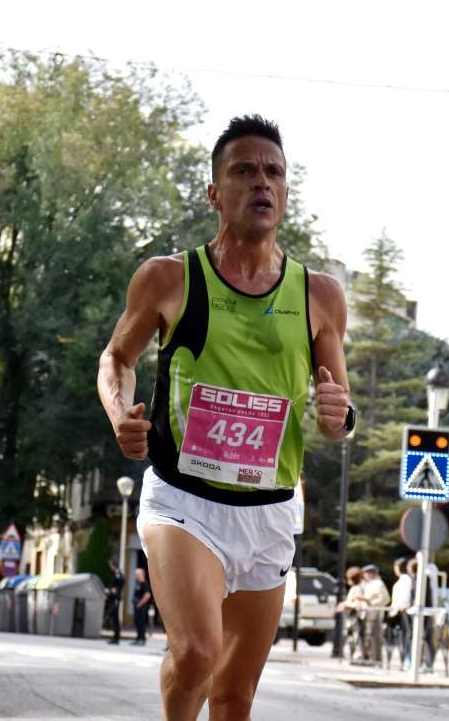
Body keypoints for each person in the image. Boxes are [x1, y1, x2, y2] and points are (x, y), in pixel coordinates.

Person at [97, 114, 352, 720]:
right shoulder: (168, 278)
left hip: (269, 510)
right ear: (215, 192)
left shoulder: (319, 294)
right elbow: (116, 359)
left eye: (273, 172)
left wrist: (339, 413)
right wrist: (119, 416)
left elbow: (338, 409)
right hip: (183, 500)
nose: (261, 182)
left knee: (235, 697)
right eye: (243, 171)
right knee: (196, 655)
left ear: (286, 193)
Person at [387, 557, 414, 667]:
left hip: (403, 611)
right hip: (398, 612)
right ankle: (405, 659)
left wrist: (400, 607)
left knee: (406, 637)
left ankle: (408, 659)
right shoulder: (404, 579)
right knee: (403, 638)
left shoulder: (406, 580)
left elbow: (405, 597)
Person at [105, 558, 124, 645]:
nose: (110, 566)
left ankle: (116, 638)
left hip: (115, 599)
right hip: (113, 598)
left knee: (115, 619)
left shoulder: (118, 574)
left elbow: (120, 585)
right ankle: (115, 637)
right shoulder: (116, 573)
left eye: (110, 565)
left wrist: (114, 590)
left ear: (113, 565)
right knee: (114, 618)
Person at [132, 568, 152, 646]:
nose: (136, 576)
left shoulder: (145, 584)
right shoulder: (138, 583)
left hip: (142, 607)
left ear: (141, 574)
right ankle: (138, 638)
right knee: (137, 622)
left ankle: (142, 639)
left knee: (141, 623)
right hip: (137, 607)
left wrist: (140, 603)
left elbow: (147, 595)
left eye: (137, 574)